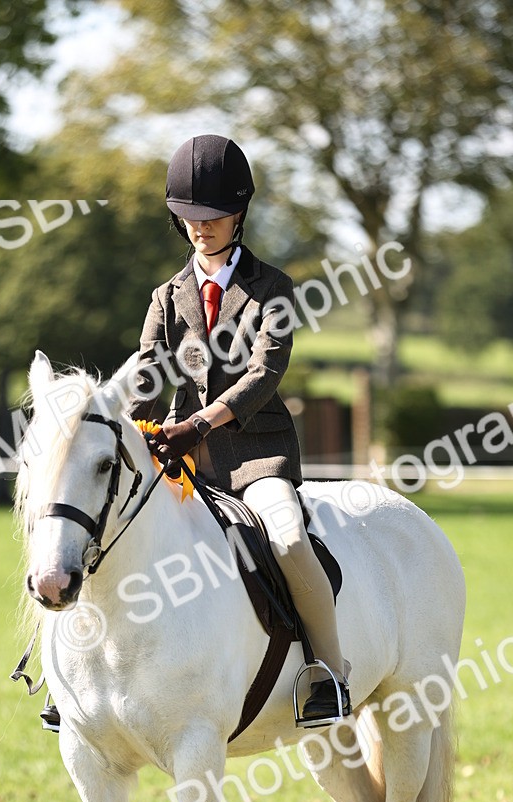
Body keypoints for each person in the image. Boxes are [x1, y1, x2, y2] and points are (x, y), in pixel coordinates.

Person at [131, 133, 350, 725]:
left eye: (213, 216)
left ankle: (329, 674)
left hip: (256, 458)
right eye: (190, 217)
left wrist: (198, 423)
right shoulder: (167, 296)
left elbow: (264, 374)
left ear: (239, 214)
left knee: (289, 541)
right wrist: (124, 420)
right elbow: (147, 373)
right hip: (179, 460)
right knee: (110, 531)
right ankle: (81, 683)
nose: (201, 228)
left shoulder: (272, 288)